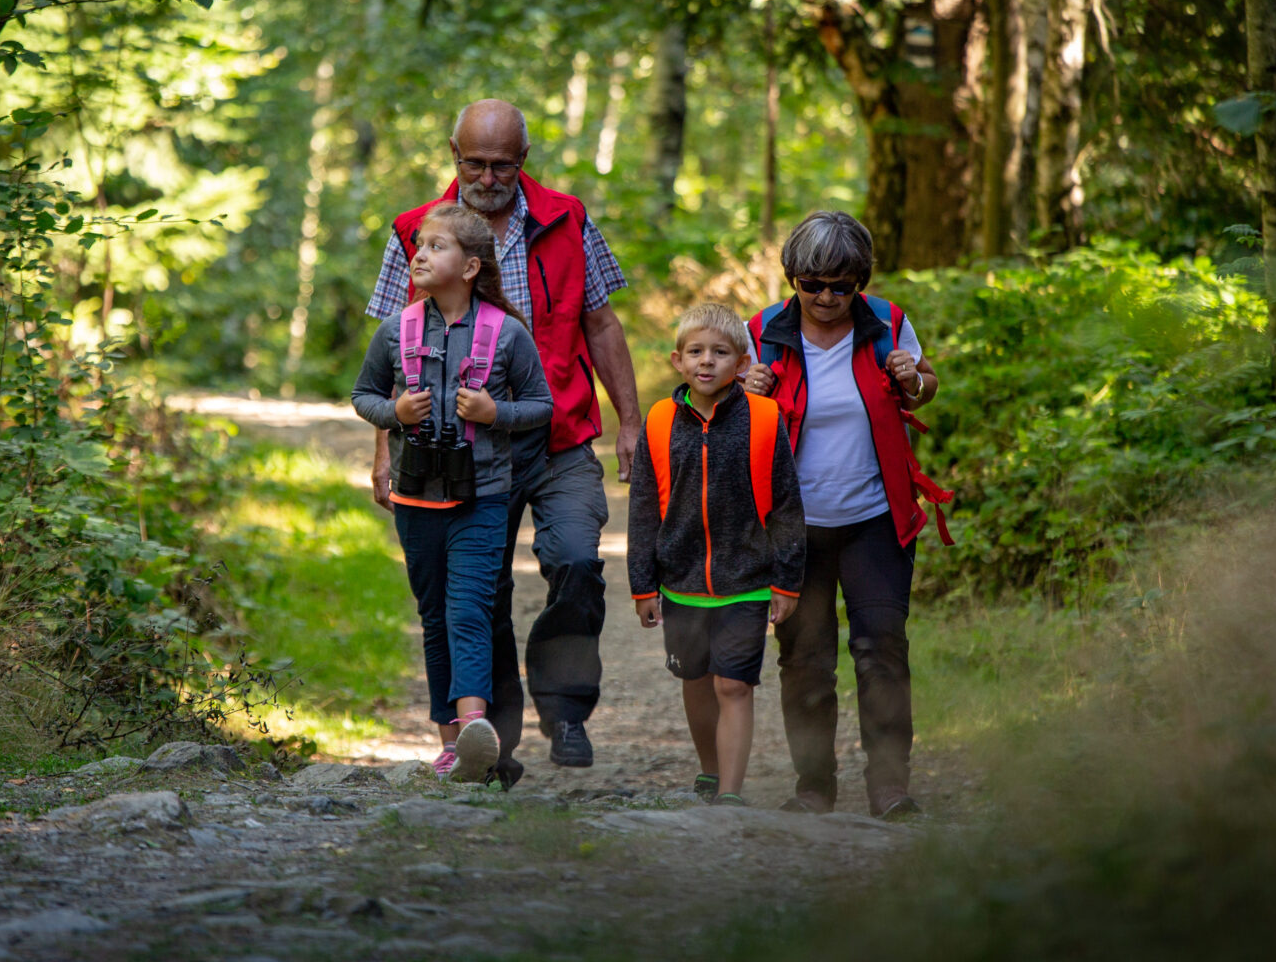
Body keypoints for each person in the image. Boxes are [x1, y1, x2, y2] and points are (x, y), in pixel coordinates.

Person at [366, 99, 642, 781]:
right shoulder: (417, 232)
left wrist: (630, 419)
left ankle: (567, 706)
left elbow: (602, 325)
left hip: (561, 434)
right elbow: (395, 350)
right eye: (474, 162)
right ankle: (495, 747)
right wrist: (385, 450)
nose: (488, 177)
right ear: (453, 154)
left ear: (524, 160)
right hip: (458, 452)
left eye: (504, 164)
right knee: (476, 592)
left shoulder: (567, 218)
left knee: (577, 559)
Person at [743, 211, 952, 819]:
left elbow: (926, 385)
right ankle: (814, 786)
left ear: (861, 281)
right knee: (805, 660)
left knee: (881, 648)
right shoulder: (763, 332)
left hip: (876, 519)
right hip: (792, 526)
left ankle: (889, 786)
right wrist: (745, 394)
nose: (828, 298)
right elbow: (725, 419)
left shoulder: (888, 323)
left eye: (843, 285)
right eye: (814, 285)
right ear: (793, 279)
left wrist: (916, 379)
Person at [351, 204, 555, 784]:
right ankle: (451, 746)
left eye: (435, 247)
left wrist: (496, 412)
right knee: (435, 616)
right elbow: (362, 394)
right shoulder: (396, 330)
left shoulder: (506, 333)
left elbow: (541, 407)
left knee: (469, 609)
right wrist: (394, 411)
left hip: (482, 497)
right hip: (415, 500)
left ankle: (473, 728)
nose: (418, 254)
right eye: (420, 244)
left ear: (469, 268)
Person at [628, 303, 805, 807]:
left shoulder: (766, 419)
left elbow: (788, 506)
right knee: (695, 680)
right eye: (696, 352)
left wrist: (787, 581)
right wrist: (643, 584)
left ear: (743, 362)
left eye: (721, 352)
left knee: (734, 686)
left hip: (746, 580)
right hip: (680, 582)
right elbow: (643, 507)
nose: (707, 362)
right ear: (677, 360)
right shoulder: (660, 420)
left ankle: (730, 791)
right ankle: (709, 770)